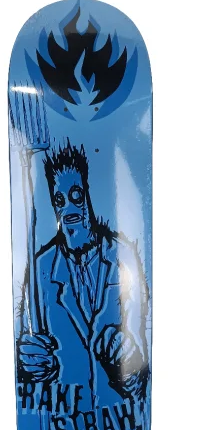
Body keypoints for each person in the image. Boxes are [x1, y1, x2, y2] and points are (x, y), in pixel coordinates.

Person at [17, 141, 149, 409]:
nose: (69, 210)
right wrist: (30, 363)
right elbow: (26, 349)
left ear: (89, 195)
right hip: (65, 421)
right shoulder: (41, 270)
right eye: (59, 201)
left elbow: (141, 366)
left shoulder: (124, 257)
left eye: (76, 196)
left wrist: (130, 358)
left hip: (118, 419)